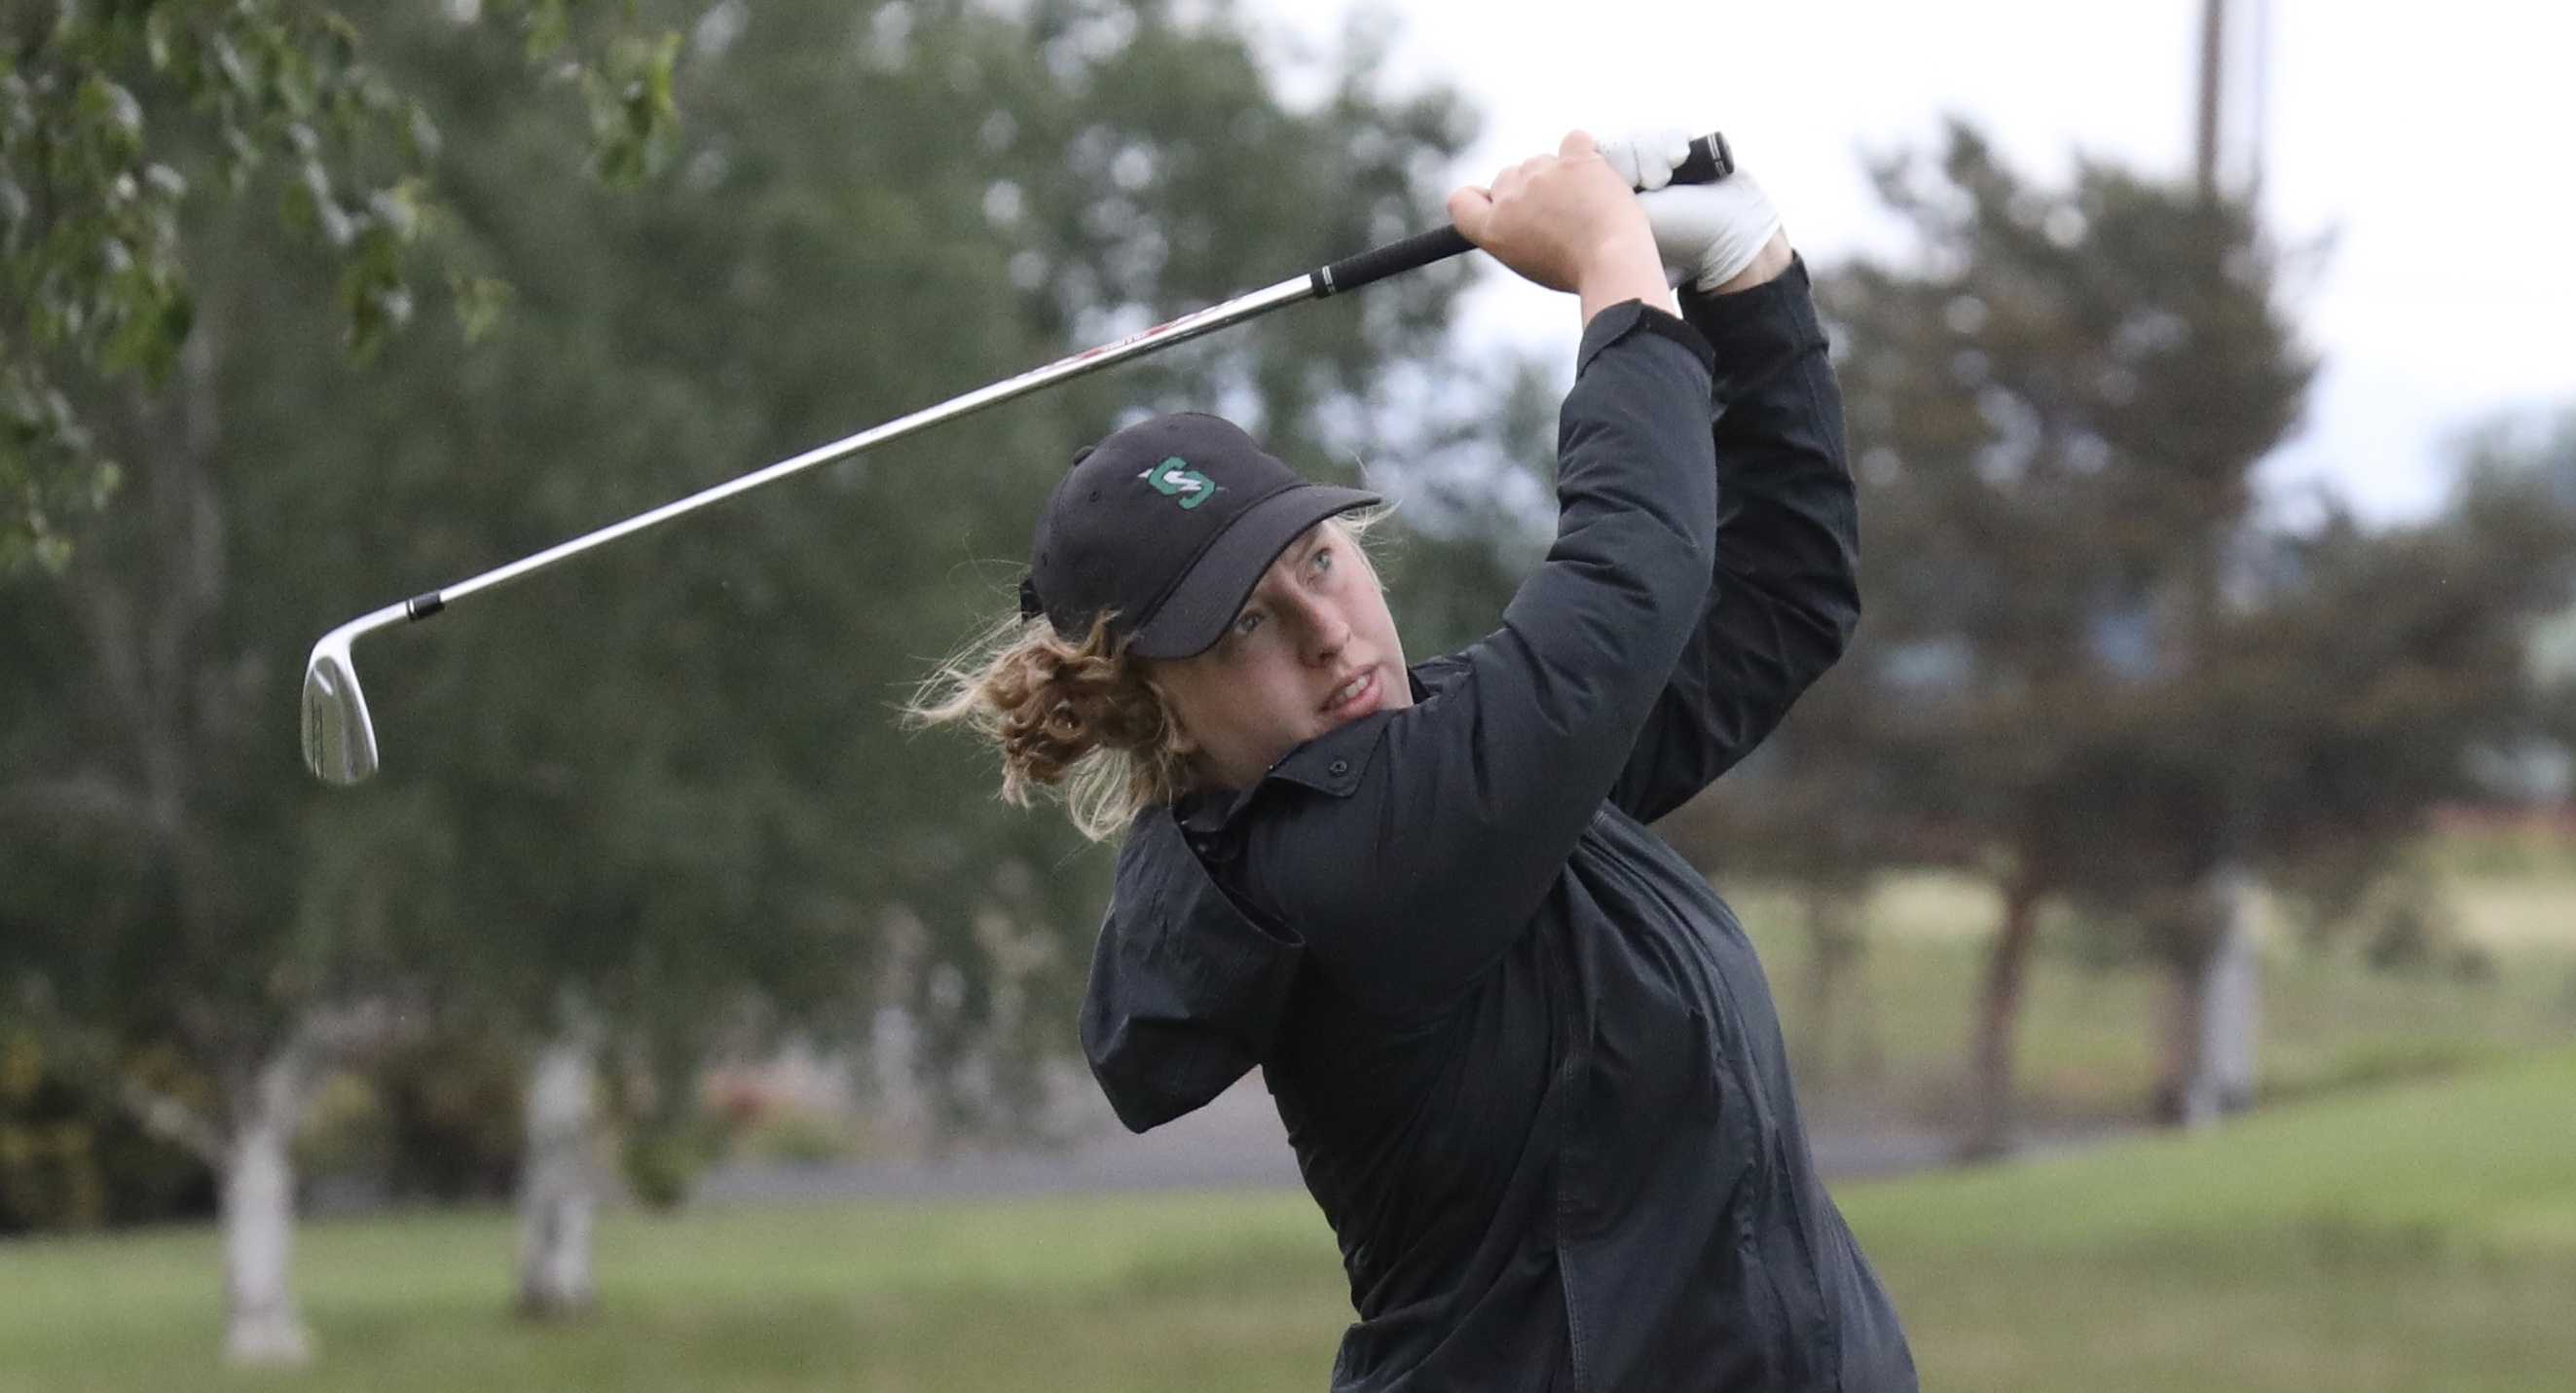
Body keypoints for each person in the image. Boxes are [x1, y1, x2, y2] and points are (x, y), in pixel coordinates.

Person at [915, 129, 1917, 1393]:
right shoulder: (1339, 861)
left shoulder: (1464, 766)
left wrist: (1746, 275)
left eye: (1319, 561)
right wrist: (1613, 265)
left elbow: (1780, 597)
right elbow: (1631, 583)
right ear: (1153, 707)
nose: (1327, 632)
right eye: (1244, 628)